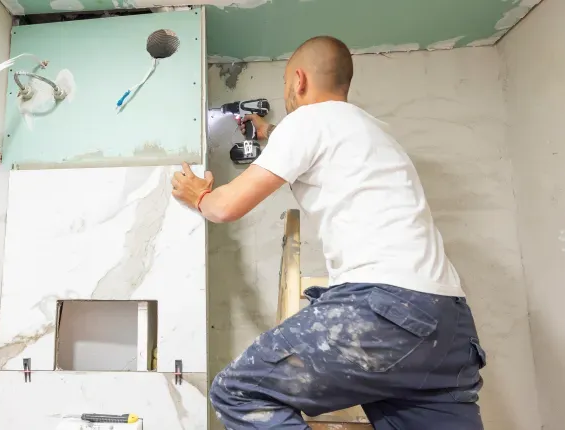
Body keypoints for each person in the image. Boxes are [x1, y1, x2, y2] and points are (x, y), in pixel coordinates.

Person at [171, 36, 486, 430]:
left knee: (238, 391)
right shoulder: (373, 131)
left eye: (286, 83)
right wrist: (269, 132)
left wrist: (199, 194)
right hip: (449, 327)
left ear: (298, 80)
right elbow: (318, 143)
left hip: (386, 311)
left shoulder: (307, 122)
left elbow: (225, 206)